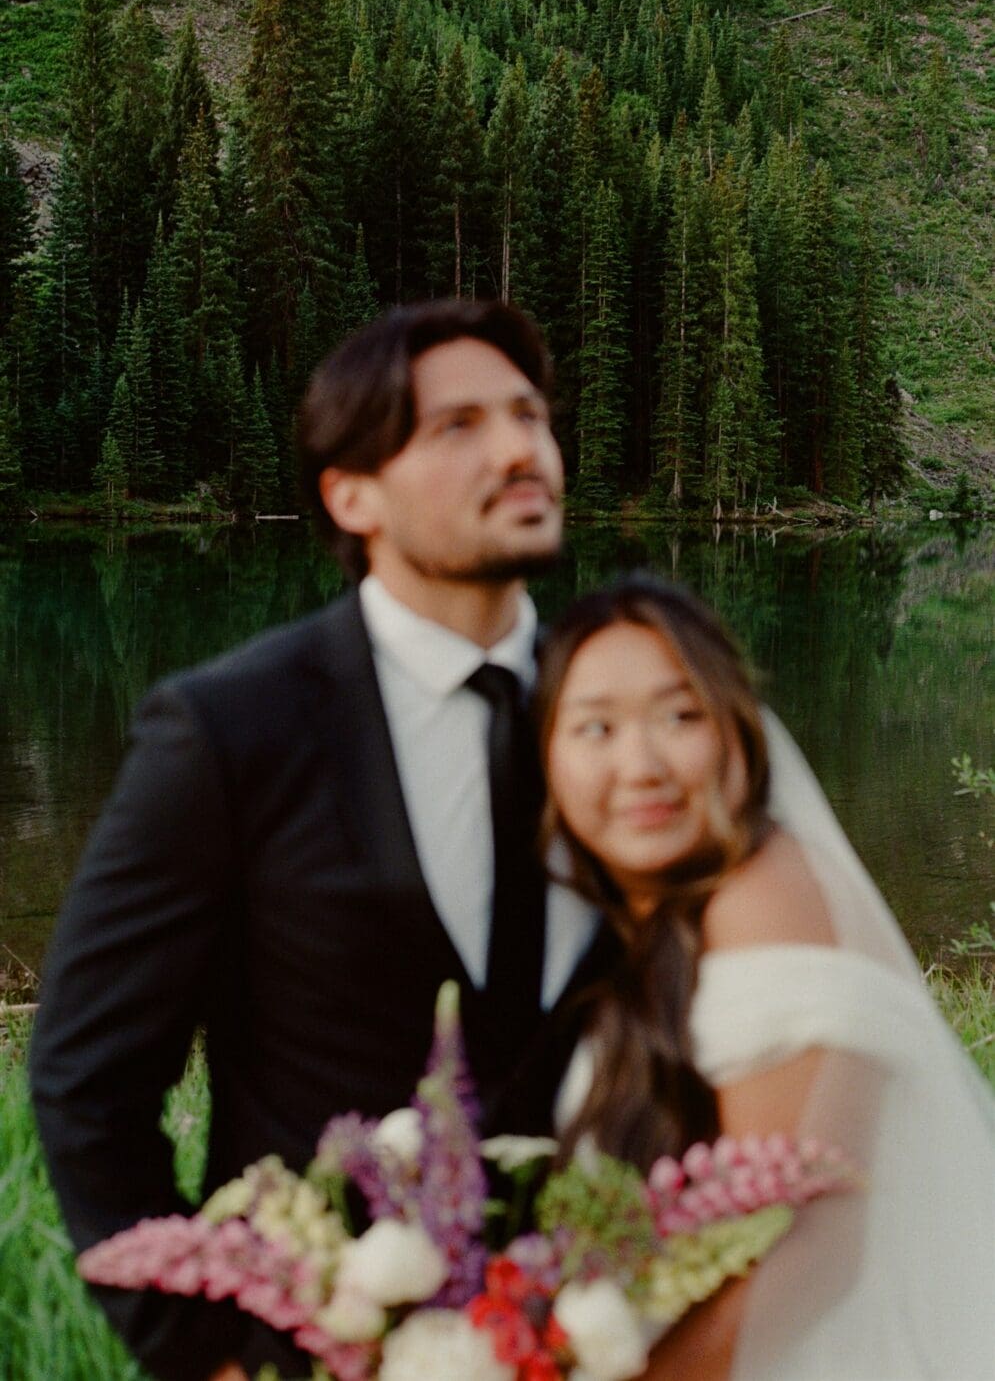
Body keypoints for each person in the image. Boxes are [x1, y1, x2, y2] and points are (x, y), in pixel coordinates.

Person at [29, 300, 612, 1381]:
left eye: (529, 414)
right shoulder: (229, 730)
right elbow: (86, 1079)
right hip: (321, 1348)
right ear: (352, 496)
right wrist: (208, 1353)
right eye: (458, 426)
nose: (518, 448)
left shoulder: (634, 709)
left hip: (614, 1336)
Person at [537, 576, 995, 1381]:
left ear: (737, 730)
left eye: (680, 716)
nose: (640, 766)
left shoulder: (766, 902)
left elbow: (815, 1251)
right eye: (595, 728)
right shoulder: (645, 911)